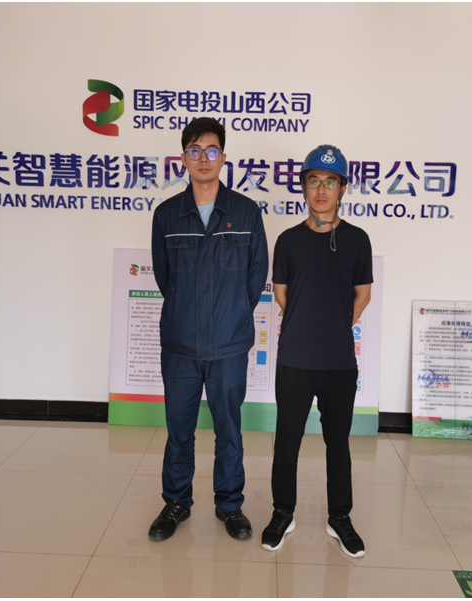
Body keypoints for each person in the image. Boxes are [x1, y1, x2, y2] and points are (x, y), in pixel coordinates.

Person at [149, 117, 269, 542]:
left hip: (229, 345)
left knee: (228, 431)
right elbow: (165, 279)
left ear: (224, 157)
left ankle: (229, 505)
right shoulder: (166, 215)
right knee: (179, 430)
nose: (204, 158)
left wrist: (230, 314)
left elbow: (255, 278)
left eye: (212, 150)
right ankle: (176, 502)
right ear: (183, 158)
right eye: (195, 150)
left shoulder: (246, 212)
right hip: (180, 345)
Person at [261, 144, 373, 558]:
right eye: (313, 181)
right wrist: (307, 325)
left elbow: (363, 295)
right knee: (287, 440)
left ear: (343, 188)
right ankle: (282, 512)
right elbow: (282, 294)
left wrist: (333, 326)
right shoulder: (289, 240)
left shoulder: (357, 239)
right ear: (304, 187)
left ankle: (339, 517)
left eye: (330, 182)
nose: (321, 190)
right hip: (295, 358)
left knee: (337, 442)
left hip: (339, 361)